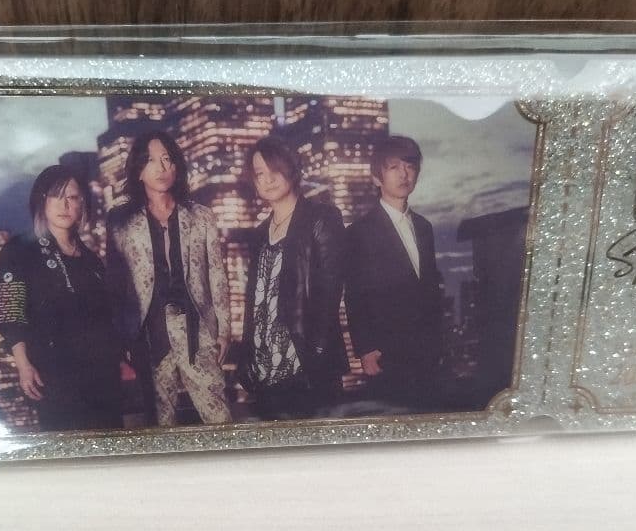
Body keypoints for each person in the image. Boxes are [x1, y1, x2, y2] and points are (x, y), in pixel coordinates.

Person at [106, 130, 233, 427]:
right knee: (161, 423)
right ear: (138, 170)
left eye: (167, 159)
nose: (161, 168)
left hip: (197, 330)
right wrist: (123, 337)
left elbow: (217, 274)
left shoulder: (201, 216)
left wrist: (224, 330)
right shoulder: (121, 221)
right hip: (149, 335)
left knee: (219, 418)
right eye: (151, 161)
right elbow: (116, 283)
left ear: (176, 166)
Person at [0, 164, 122, 431]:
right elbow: (9, 311)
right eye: (56, 196)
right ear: (42, 200)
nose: (65, 205)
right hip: (54, 375)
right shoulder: (19, 250)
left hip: (103, 377)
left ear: (82, 204)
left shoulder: (91, 260)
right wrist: (23, 364)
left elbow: (109, 316)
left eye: (72, 197)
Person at [239, 135, 348, 419]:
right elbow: (256, 299)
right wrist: (246, 357)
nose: (268, 179)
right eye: (259, 174)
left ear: (291, 168)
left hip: (306, 362)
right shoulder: (259, 233)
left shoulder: (321, 218)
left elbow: (330, 291)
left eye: (274, 169)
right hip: (264, 364)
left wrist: (318, 351)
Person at [345, 135, 444, 411]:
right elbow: (354, 295)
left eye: (410, 166)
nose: (404, 174)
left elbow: (430, 290)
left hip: (427, 352)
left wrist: (439, 344)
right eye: (393, 167)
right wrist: (366, 348)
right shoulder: (359, 232)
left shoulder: (424, 227)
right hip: (386, 352)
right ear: (376, 177)